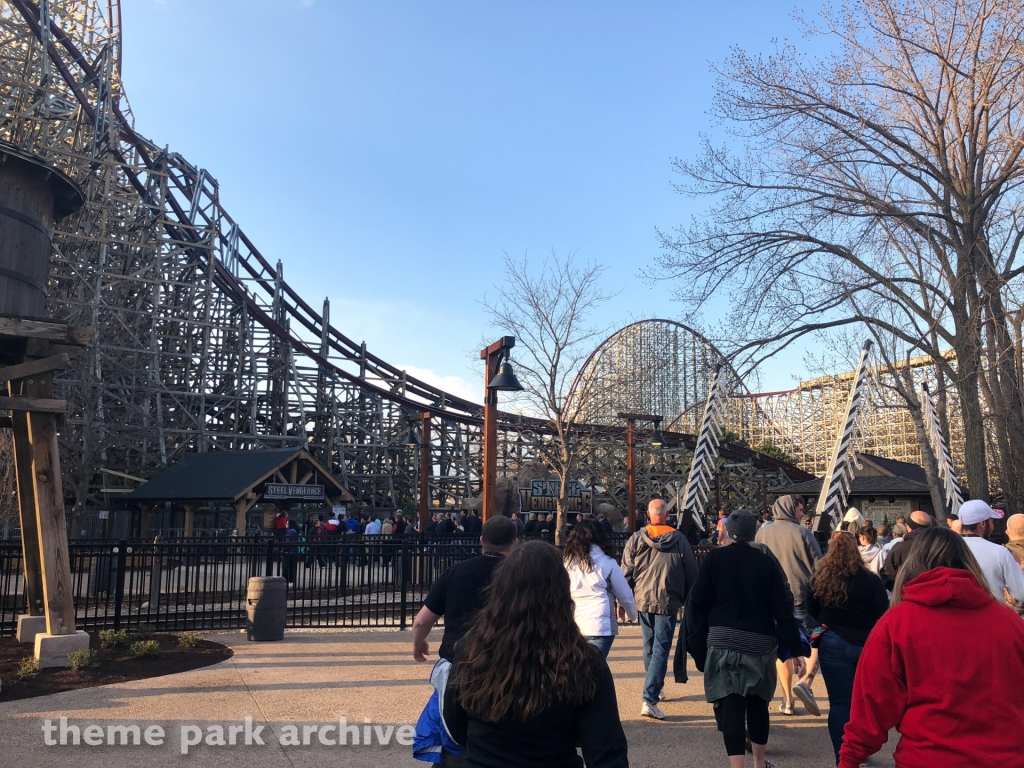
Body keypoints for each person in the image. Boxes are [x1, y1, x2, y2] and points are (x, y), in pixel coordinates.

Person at [839, 527, 1024, 767]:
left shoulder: (897, 624)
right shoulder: (1010, 624)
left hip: (928, 757)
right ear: (968, 563)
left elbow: (871, 705)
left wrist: (849, 759)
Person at [443, 541, 628, 767]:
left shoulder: (471, 650)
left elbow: (456, 724)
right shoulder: (583, 660)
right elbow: (606, 751)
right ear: (561, 591)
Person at [687, 510, 807, 768]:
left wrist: (697, 643)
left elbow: (698, 600)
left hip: (723, 638)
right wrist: (796, 650)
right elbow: (782, 609)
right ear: (754, 532)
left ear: (729, 532)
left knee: (731, 705)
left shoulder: (715, 558)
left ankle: (736, 766)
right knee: (758, 704)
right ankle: (759, 762)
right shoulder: (765, 562)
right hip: (760, 642)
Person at [807, 532, 888, 764]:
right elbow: (882, 612)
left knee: (839, 703)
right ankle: (861, 749)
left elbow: (812, 609)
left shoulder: (820, 579)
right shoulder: (870, 580)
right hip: (865, 643)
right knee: (862, 703)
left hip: (832, 640)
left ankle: (842, 757)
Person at [621, 499, 699, 719]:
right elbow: (690, 571)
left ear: (648, 514)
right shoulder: (678, 539)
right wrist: (690, 598)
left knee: (649, 645)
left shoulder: (637, 538)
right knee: (661, 648)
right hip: (668, 597)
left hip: (643, 597)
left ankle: (654, 685)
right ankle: (650, 697)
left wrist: (623, 601)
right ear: (667, 515)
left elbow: (626, 570)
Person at [412, 515, 518, 663]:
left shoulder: (456, 571)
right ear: (514, 542)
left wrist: (418, 642)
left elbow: (422, 621)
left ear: (481, 540)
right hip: (507, 660)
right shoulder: (522, 574)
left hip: (457, 658)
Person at [754, 494, 822, 716]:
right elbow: (819, 566)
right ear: (792, 510)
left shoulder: (762, 533)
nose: (802, 515)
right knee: (815, 639)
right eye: (800, 510)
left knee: (781, 648)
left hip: (771, 599)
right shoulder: (803, 533)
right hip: (800, 594)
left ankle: (787, 699)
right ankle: (805, 682)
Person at [563, 518, 637, 658]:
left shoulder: (567, 564)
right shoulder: (608, 563)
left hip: (574, 622)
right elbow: (624, 594)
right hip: (600, 623)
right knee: (596, 666)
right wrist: (632, 614)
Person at [957, 499, 1024, 603]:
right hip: (991, 609)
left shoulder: (947, 549)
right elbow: (1021, 593)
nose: (993, 526)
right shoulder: (1000, 552)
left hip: (956, 611)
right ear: (983, 523)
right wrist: (1019, 568)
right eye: (992, 521)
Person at [881, 510, 934, 591]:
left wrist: (901, 592)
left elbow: (887, 575)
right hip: (938, 594)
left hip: (908, 594)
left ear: (909, 528)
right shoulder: (942, 545)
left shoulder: (899, 548)